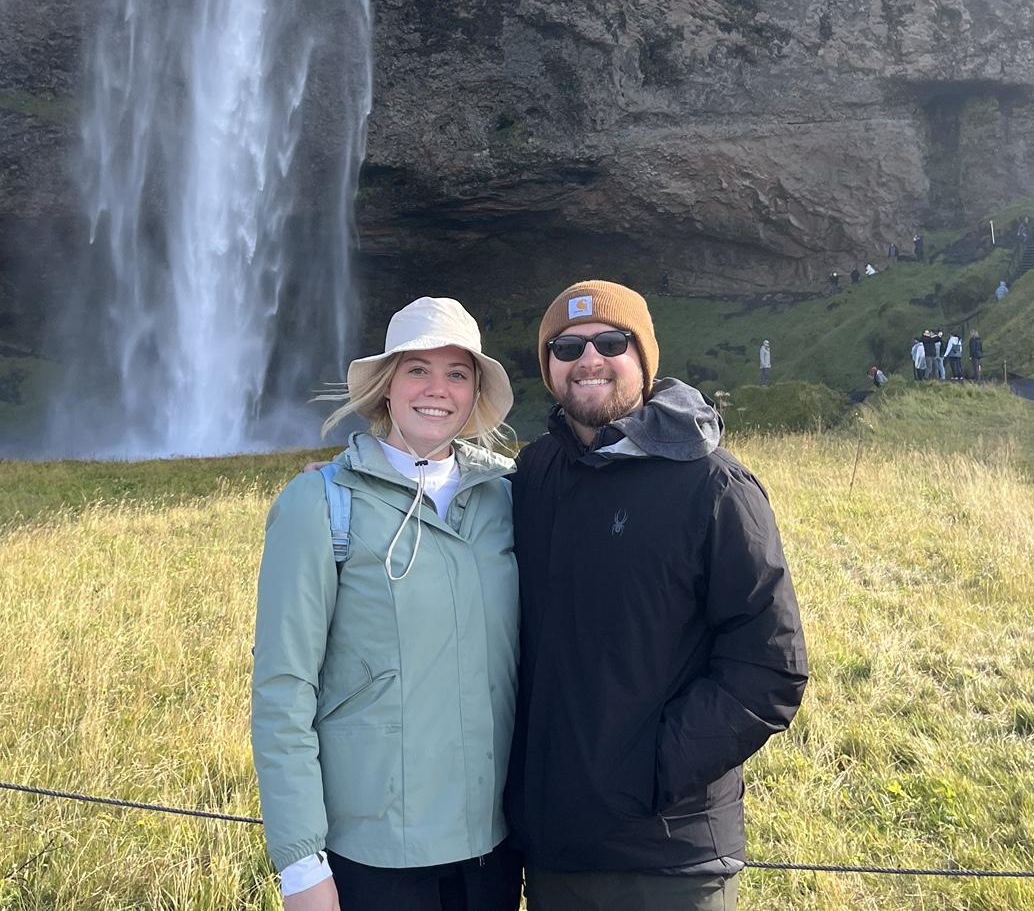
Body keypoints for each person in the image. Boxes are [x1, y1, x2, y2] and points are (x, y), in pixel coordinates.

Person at [508, 281, 807, 911]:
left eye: (611, 342)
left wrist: (646, 772)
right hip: (554, 853)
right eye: (566, 348)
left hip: (668, 861)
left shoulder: (714, 485)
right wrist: (354, 471)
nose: (589, 359)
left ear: (644, 358)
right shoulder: (533, 477)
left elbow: (769, 667)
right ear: (548, 368)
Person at [251, 298, 522, 911]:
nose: (437, 389)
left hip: (494, 850)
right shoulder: (319, 506)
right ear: (386, 386)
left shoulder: (507, 498)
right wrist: (299, 863)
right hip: (374, 858)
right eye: (416, 369)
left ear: (475, 391)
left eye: (457, 373)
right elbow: (283, 687)